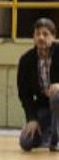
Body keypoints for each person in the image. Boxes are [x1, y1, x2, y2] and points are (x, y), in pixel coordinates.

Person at [17, 17, 59, 152]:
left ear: (54, 37)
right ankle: (49, 135)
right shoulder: (26, 60)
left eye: (45, 34)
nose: (41, 37)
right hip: (44, 108)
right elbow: (24, 95)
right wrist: (32, 119)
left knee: (57, 95)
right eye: (38, 34)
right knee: (26, 142)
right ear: (33, 37)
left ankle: (55, 140)